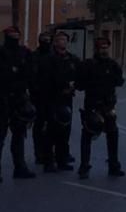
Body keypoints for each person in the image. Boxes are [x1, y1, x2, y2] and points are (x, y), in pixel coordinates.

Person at [76, 36, 125, 179]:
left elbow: (120, 81)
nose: (104, 50)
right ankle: (84, 166)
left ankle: (114, 165)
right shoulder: (88, 65)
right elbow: (80, 84)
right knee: (88, 134)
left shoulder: (112, 65)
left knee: (112, 134)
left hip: (108, 105)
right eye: (102, 48)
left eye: (106, 47)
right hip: (92, 105)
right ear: (96, 49)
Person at [0, 26, 37, 180]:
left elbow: (31, 71)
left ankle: (20, 168)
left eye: (16, 34)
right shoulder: (0, 52)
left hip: (19, 98)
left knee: (19, 134)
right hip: (2, 97)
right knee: (0, 135)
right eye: (11, 34)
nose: (14, 36)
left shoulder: (24, 52)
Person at [40, 31, 79, 172]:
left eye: (64, 39)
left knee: (65, 131)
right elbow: (45, 79)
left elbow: (78, 75)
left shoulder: (71, 59)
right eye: (60, 39)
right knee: (51, 131)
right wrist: (60, 87)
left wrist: (74, 86)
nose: (62, 42)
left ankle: (62, 159)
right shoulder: (49, 59)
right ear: (55, 42)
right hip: (53, 99)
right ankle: (48, 161)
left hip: (67, 99)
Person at [31, 32, 53, 166]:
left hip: (51, 96)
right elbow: (31, 75)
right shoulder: (34, 56)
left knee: (52, 126)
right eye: (44, 40)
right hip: (38, 96)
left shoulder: (53, 57)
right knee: (39, 126)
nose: (46, 42)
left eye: (48, 40)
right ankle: (39, 154)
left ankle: (50, 153)